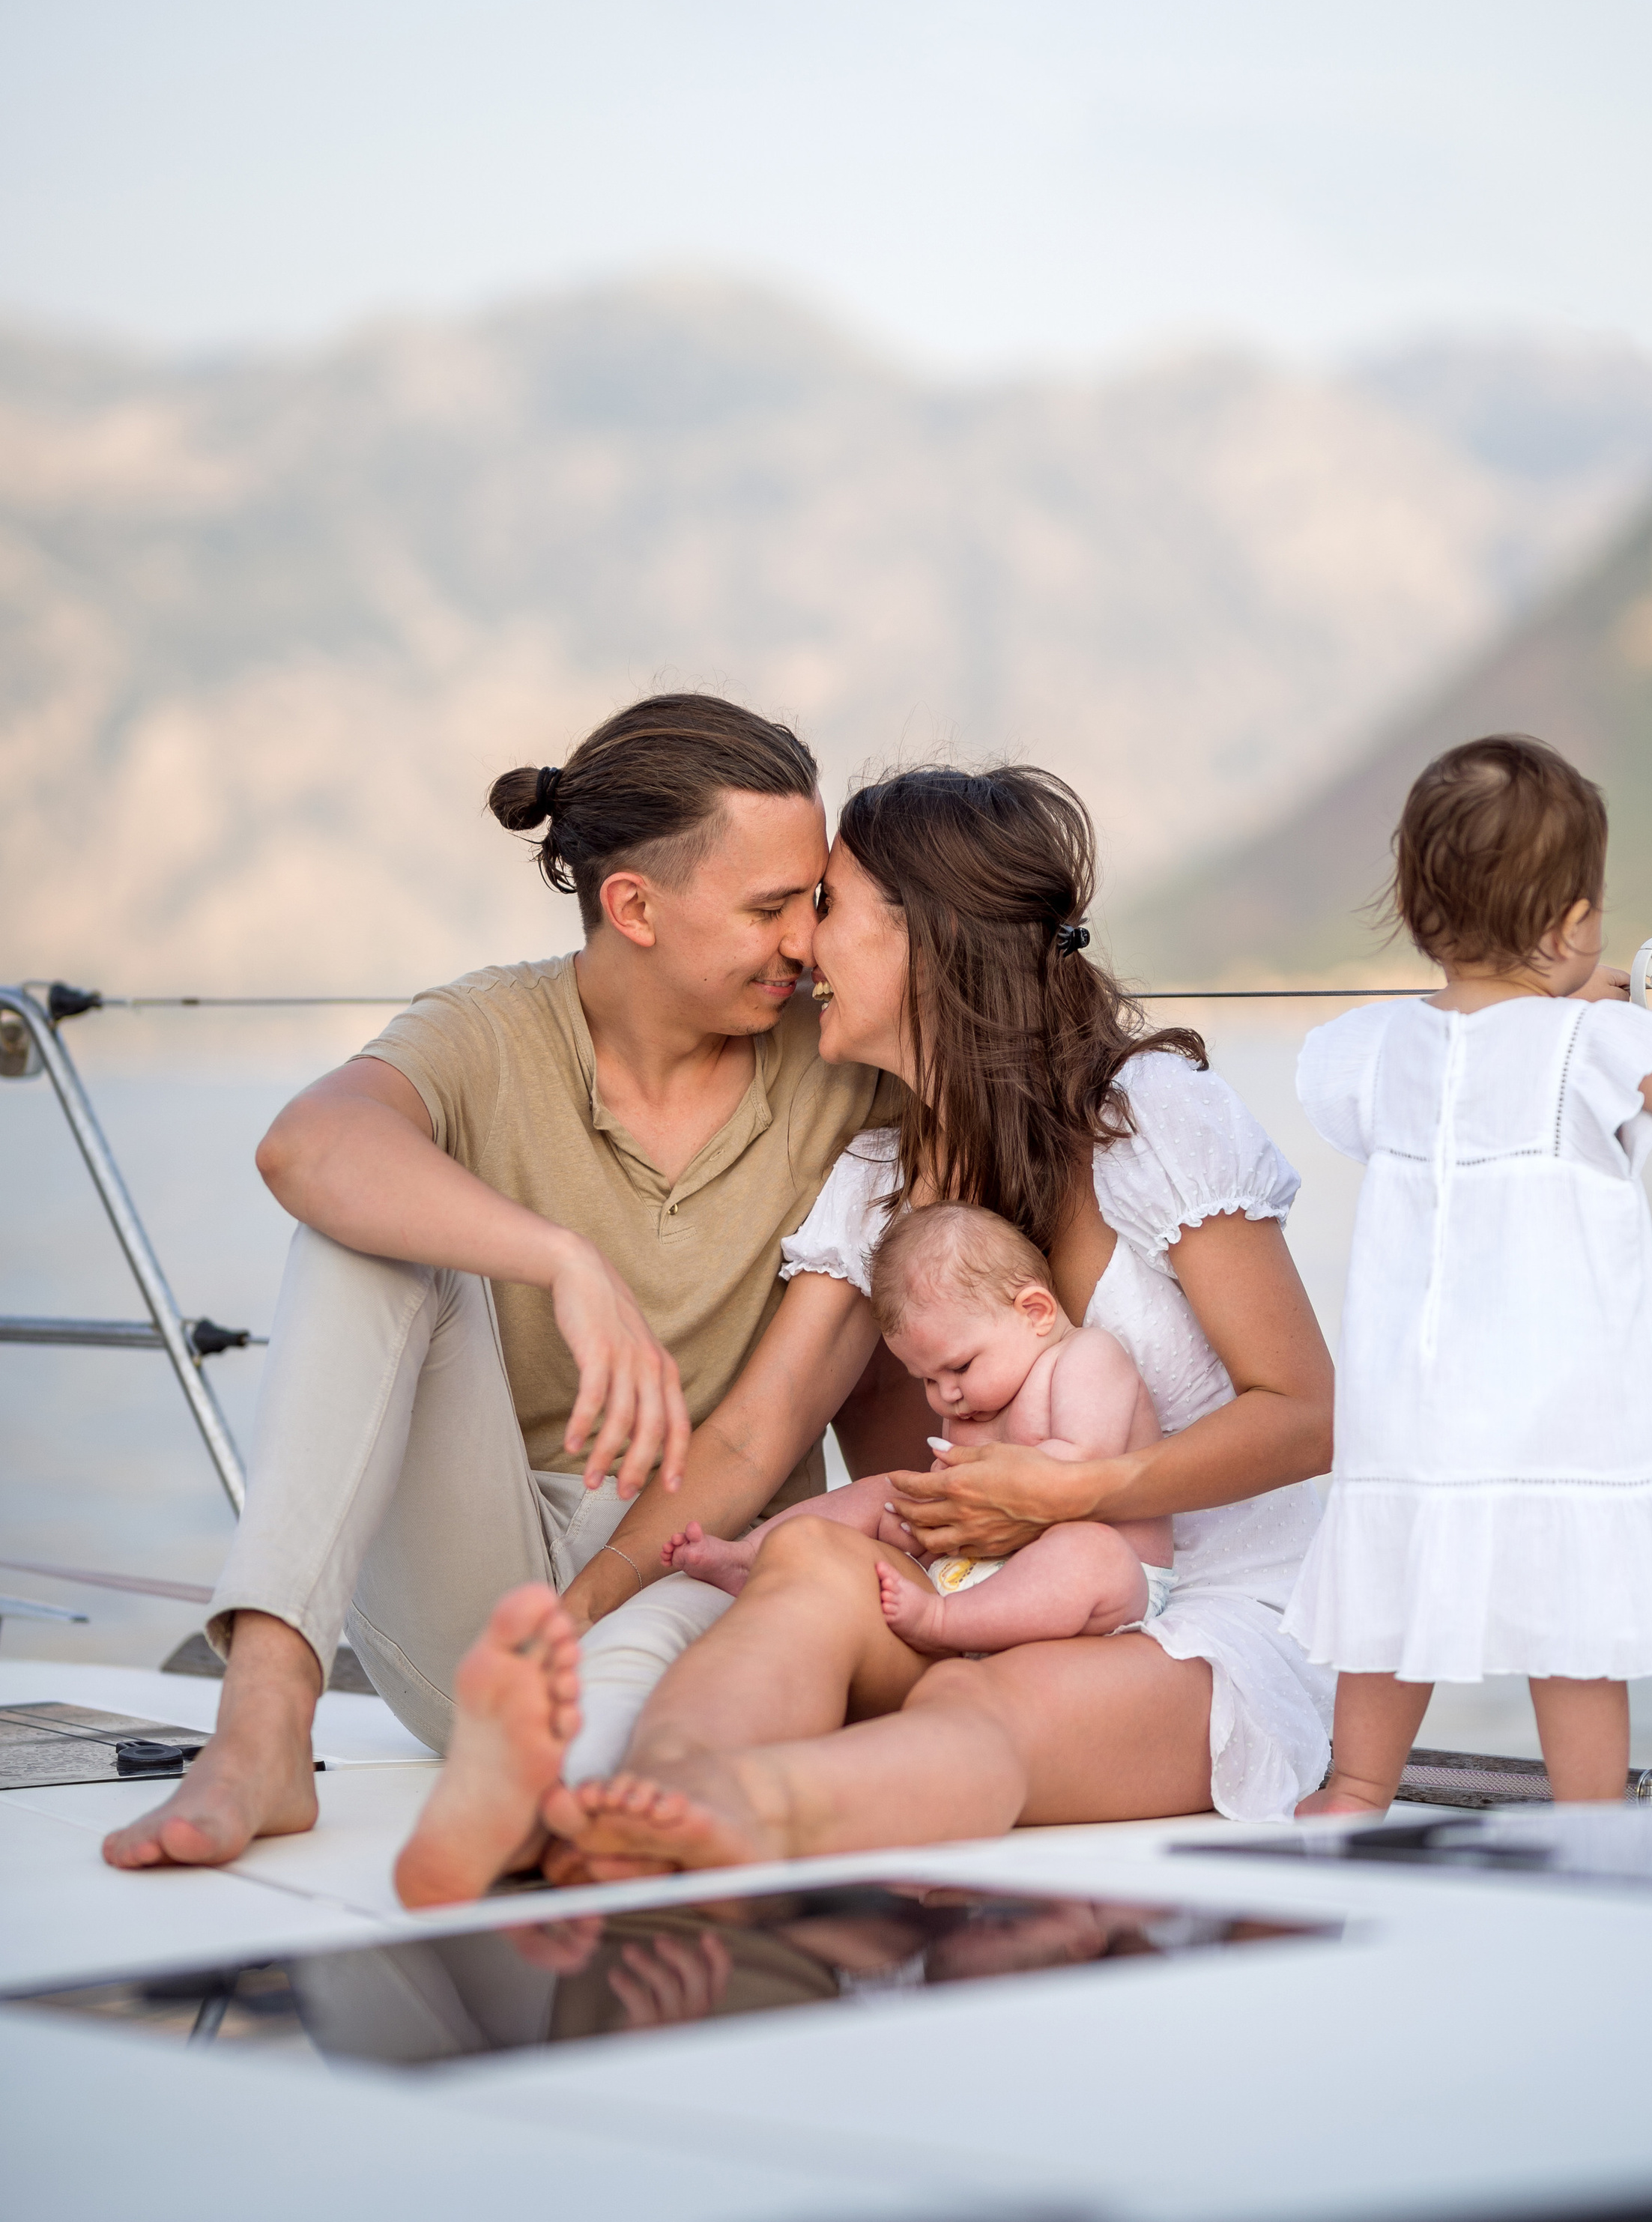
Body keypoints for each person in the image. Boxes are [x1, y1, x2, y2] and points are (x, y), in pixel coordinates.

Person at [393, 760, 1336, 1905]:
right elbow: (753, 1438)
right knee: (808, 1562)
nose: (800, 949)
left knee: (976, 1706)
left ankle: (742, 1811)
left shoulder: (1152, 1122)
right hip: (984, 1592)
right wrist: (580, 1616)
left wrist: (1071, 1495)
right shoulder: (881, 1176)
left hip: (1206, 1620)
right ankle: (637, 1794)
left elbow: (1302, 1414)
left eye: (826, 907)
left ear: (926, 939)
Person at [104, 691, 903, 1873]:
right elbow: (305, 1148)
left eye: (814, 904)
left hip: (706, 1572)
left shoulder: (842, 1067)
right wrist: (556, 1259)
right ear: (631, 905)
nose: (803, 944)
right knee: (363, 1228)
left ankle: (550, 1802)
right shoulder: (490, 1030)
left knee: (687, 1653)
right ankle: (264, 1725)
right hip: (475, 1600)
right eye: (770, 907)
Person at [1286, 734, 1652, 1814]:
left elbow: (1475, 1047)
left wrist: (1552, 1002)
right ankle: (1593, 1824)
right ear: (1573, 924)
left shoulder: (1375, 1050)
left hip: (1413, 1426)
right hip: (1556, 1419)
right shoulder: (1596, 1045)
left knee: (1395, 1602)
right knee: (1576, 1631)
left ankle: (1354, 1789)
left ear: (1422, 915)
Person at [663, 1199, 1176, 1654]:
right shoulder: (975, 1399)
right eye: (926, 1380)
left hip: (1104, 1580)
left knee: (1089, 1553)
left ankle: (941, 1620)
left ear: (1035, 1311)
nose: (945, 1395)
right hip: (978, 1570)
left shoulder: (1086, 1358)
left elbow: (1087, 1470)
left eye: (959, 1367)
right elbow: (948, 1496)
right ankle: (752, 1556)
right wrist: (927, 1517)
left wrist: (973, 1498)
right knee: (884, 1491)